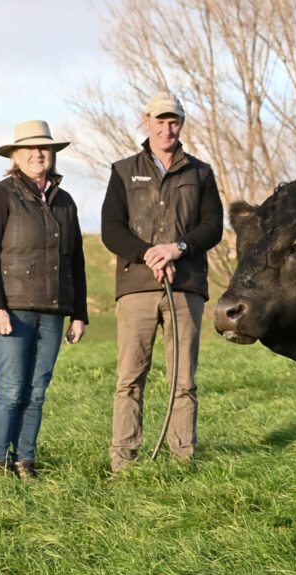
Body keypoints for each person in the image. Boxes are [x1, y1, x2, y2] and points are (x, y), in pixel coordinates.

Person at [101, 91, 223, 473]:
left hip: (185, 286)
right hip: (136, 286)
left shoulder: (200, 172)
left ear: (181, 124)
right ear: (146, 121)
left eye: (174, 121)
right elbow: (111, 229)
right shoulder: (123, 170)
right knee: (130, 378)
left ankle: (182, 459)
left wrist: (178, 249)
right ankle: (124, 460)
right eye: (160, 120)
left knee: (183, 379)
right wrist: (149, 253)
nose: (167, 128)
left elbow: (213, 227)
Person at [0, 120, 89, 479]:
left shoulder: (65, 201)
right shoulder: (0, 194)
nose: (39, 154)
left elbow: (76, 259)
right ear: (15, 155)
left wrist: (79, 313)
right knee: (11, 389)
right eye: (30, 149)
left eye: (45, 148)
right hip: (12, 309)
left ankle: (25, 461)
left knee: (37, 391)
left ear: (52, 154)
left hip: (53, 311)